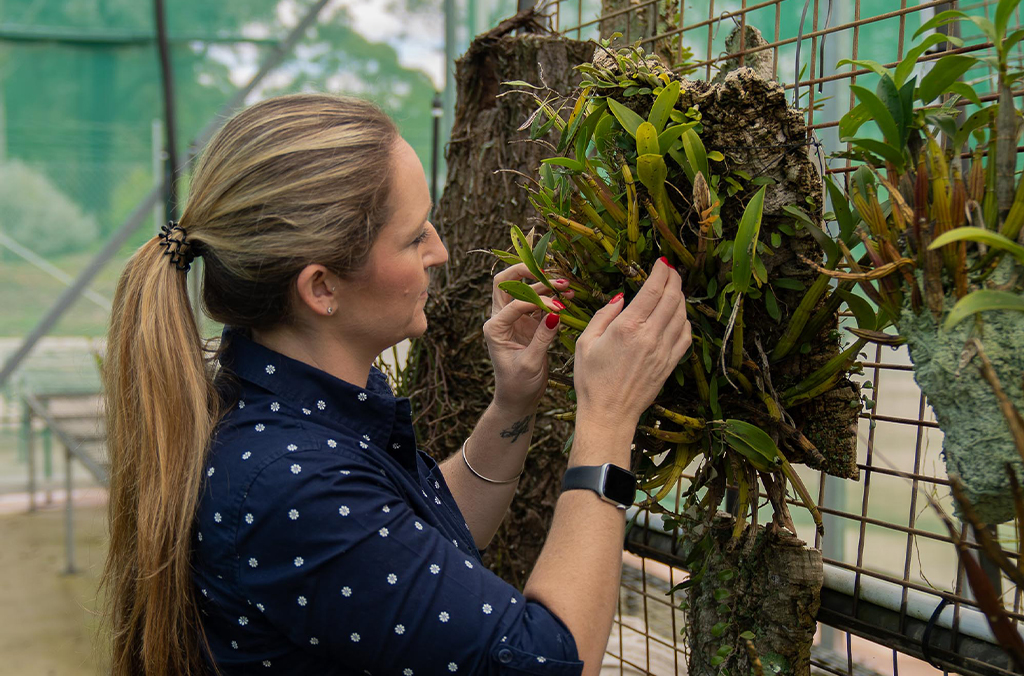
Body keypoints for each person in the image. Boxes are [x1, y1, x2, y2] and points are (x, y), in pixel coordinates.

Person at [101, 93, 692, 676]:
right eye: (413, 238)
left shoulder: (291, 412)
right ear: (322, 288)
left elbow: (408, 542)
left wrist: (513, 403)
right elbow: (547, 662)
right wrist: (608, 419)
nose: (439, 250)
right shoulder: (291, 484)